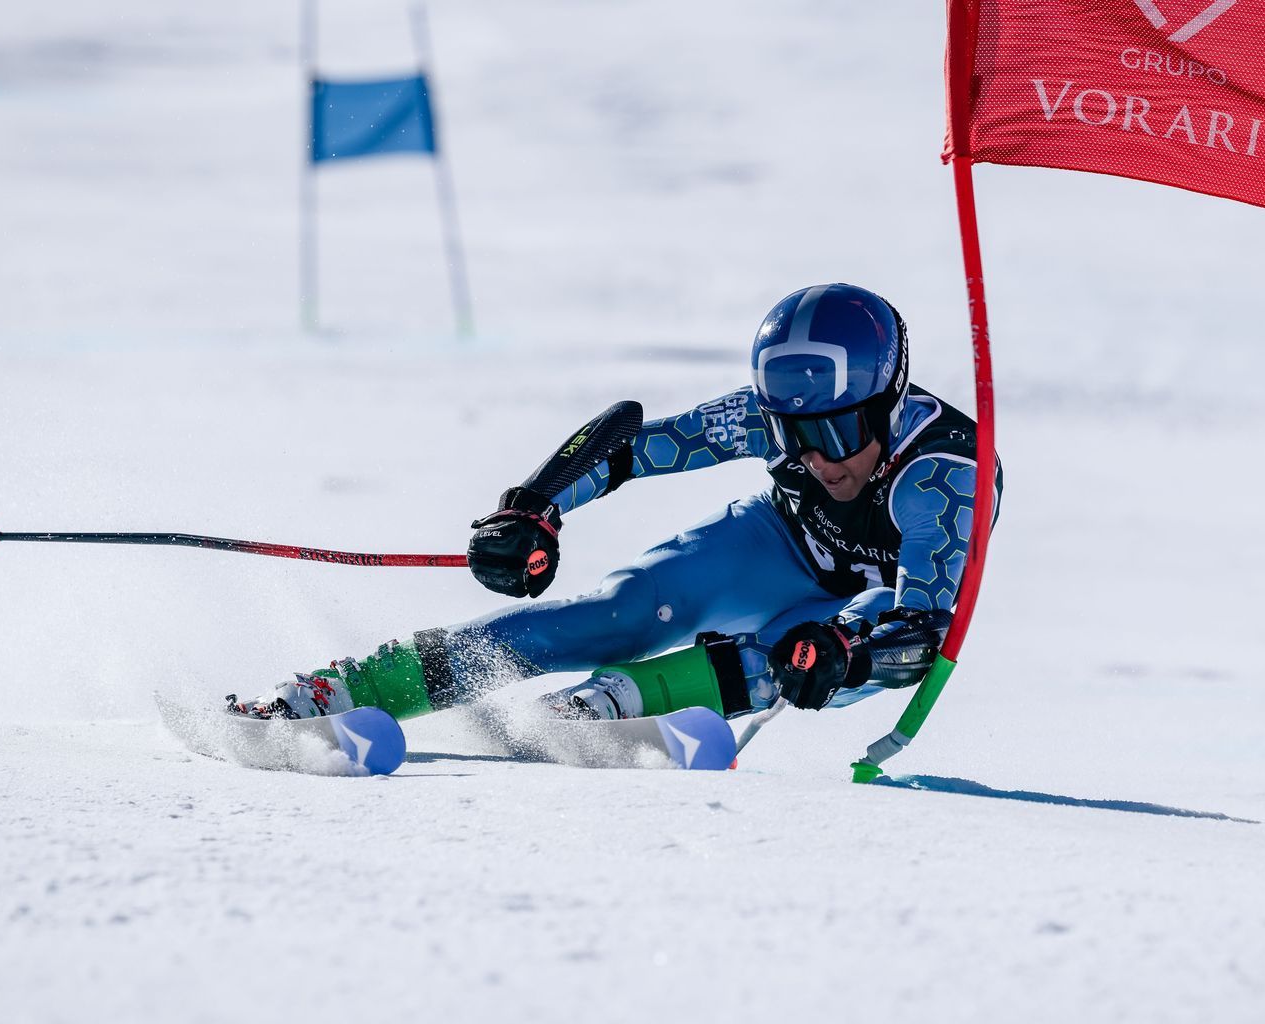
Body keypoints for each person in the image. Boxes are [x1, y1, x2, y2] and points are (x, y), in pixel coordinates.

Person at [231, 283, 1003, 754]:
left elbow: (923, 628)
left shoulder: (943, 479)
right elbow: (634, 449)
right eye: (795, 436)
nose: (819, 458)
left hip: (871, 600)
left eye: (837, 432)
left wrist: (854, 657)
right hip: (778, 542)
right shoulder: (781, 428)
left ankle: (614, 704)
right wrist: (533, 510)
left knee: (795, 658)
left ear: (890, 401)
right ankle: (349, 689)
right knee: (620, 612)